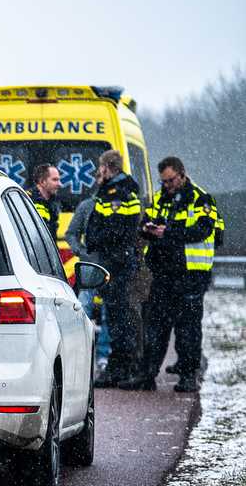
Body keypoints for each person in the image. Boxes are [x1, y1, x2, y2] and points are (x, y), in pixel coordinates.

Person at [121, 157, 220, 392]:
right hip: (163, 273)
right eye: (163, 181)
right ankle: (147, 375)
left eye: (171, 180)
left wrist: (169, 231)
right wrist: (147, 229)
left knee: (187, 328)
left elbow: (203, 230)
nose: (167, 185)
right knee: (155, 326)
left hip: (191, 275)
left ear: (182, 174)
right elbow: (145, 222)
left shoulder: (200, 198)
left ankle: (188, 376)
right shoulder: (160, 198)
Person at [84, 150, 143, 387]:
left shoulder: (124, 193)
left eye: (101, 167)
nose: (99, 172)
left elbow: (121, 230)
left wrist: (99, 239)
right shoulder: (107, 191)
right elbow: (99, 224)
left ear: (109, 167)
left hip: (118, 263)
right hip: (110, 261)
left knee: (120, 319)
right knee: (113, 316)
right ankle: (117, 368)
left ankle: (123, 367)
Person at [65, 192, 111, 369]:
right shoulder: (87, 206)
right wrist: (81, 252)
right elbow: (71, 233)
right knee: (82, 311)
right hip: (90, 268)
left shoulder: (120, 205)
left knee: (108, 314)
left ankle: (103, 355)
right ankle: (76, 354)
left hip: (111, 266)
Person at [28, 163, 62, 242]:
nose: (59, 184)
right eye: (55, 180)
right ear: (42, 181)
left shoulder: (53, 202)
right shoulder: (27, 200)